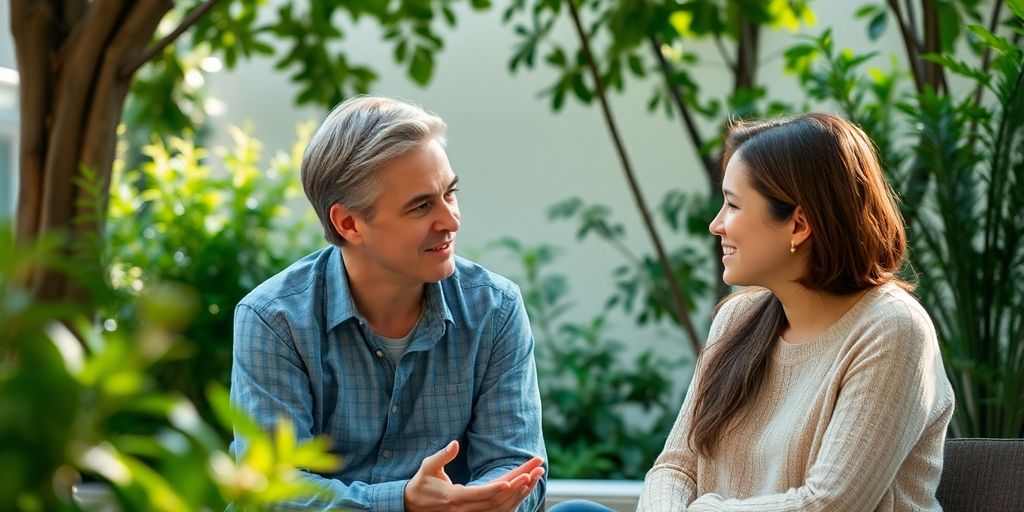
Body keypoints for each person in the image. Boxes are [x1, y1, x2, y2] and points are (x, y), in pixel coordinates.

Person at [229, 95, 547, 511]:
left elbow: (518, 466)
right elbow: (271, 491)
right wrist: (402, 502)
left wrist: (485, 500)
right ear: (349, 223)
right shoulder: (273, 320)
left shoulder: (495, 309)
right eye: (421, 206)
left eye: (450, 194)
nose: (450, 221)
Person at [634, 113, 955, 511]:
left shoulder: (893, 331)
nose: (716, 224)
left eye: (733, 205)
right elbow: (675, 468)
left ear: (799, 224)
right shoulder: (736, 319)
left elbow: (829, 505)